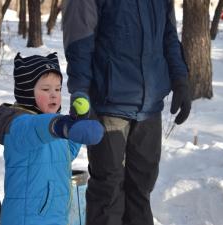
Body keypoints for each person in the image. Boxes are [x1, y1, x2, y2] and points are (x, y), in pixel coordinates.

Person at [62, 1, 191, 225]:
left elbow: (168, 35)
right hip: (108, 103)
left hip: (149, 106)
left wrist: (180, 78)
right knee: (108, 190)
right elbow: (79, 40)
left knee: (141, 188)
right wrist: (80, 90)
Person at [0, 52, 104, 225]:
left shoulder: (56, 125)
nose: (54, 94)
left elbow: (66, 154)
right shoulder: (18, 125)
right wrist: (62, 126)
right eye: (46, 89)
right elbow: (37, 128)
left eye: (58, 89)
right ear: (26, 93)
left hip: (56, 216)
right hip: (26, 219)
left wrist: (77, 124)